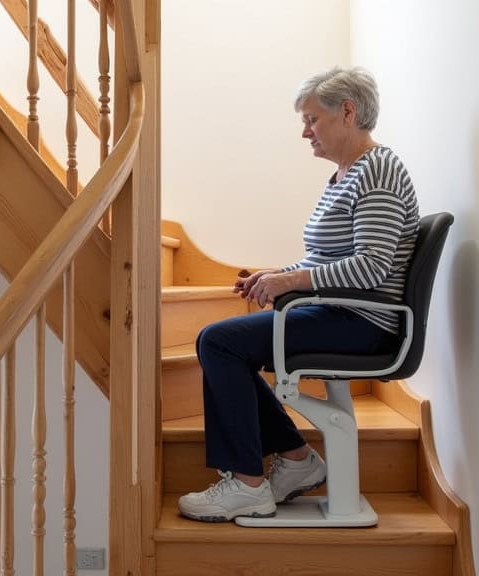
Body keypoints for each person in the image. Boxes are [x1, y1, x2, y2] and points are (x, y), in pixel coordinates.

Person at [177, 67, 420, 522]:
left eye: (312, 119)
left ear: (348, 112)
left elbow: (371, 267)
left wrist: (289, 283)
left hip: (364, 323)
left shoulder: (379, 171)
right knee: (224, 344)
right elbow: (323, 258)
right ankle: (293, 458)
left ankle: (249, 485)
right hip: (339, 311)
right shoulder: (347, 175)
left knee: (219, 342)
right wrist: (277, 274)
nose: (305, 132)